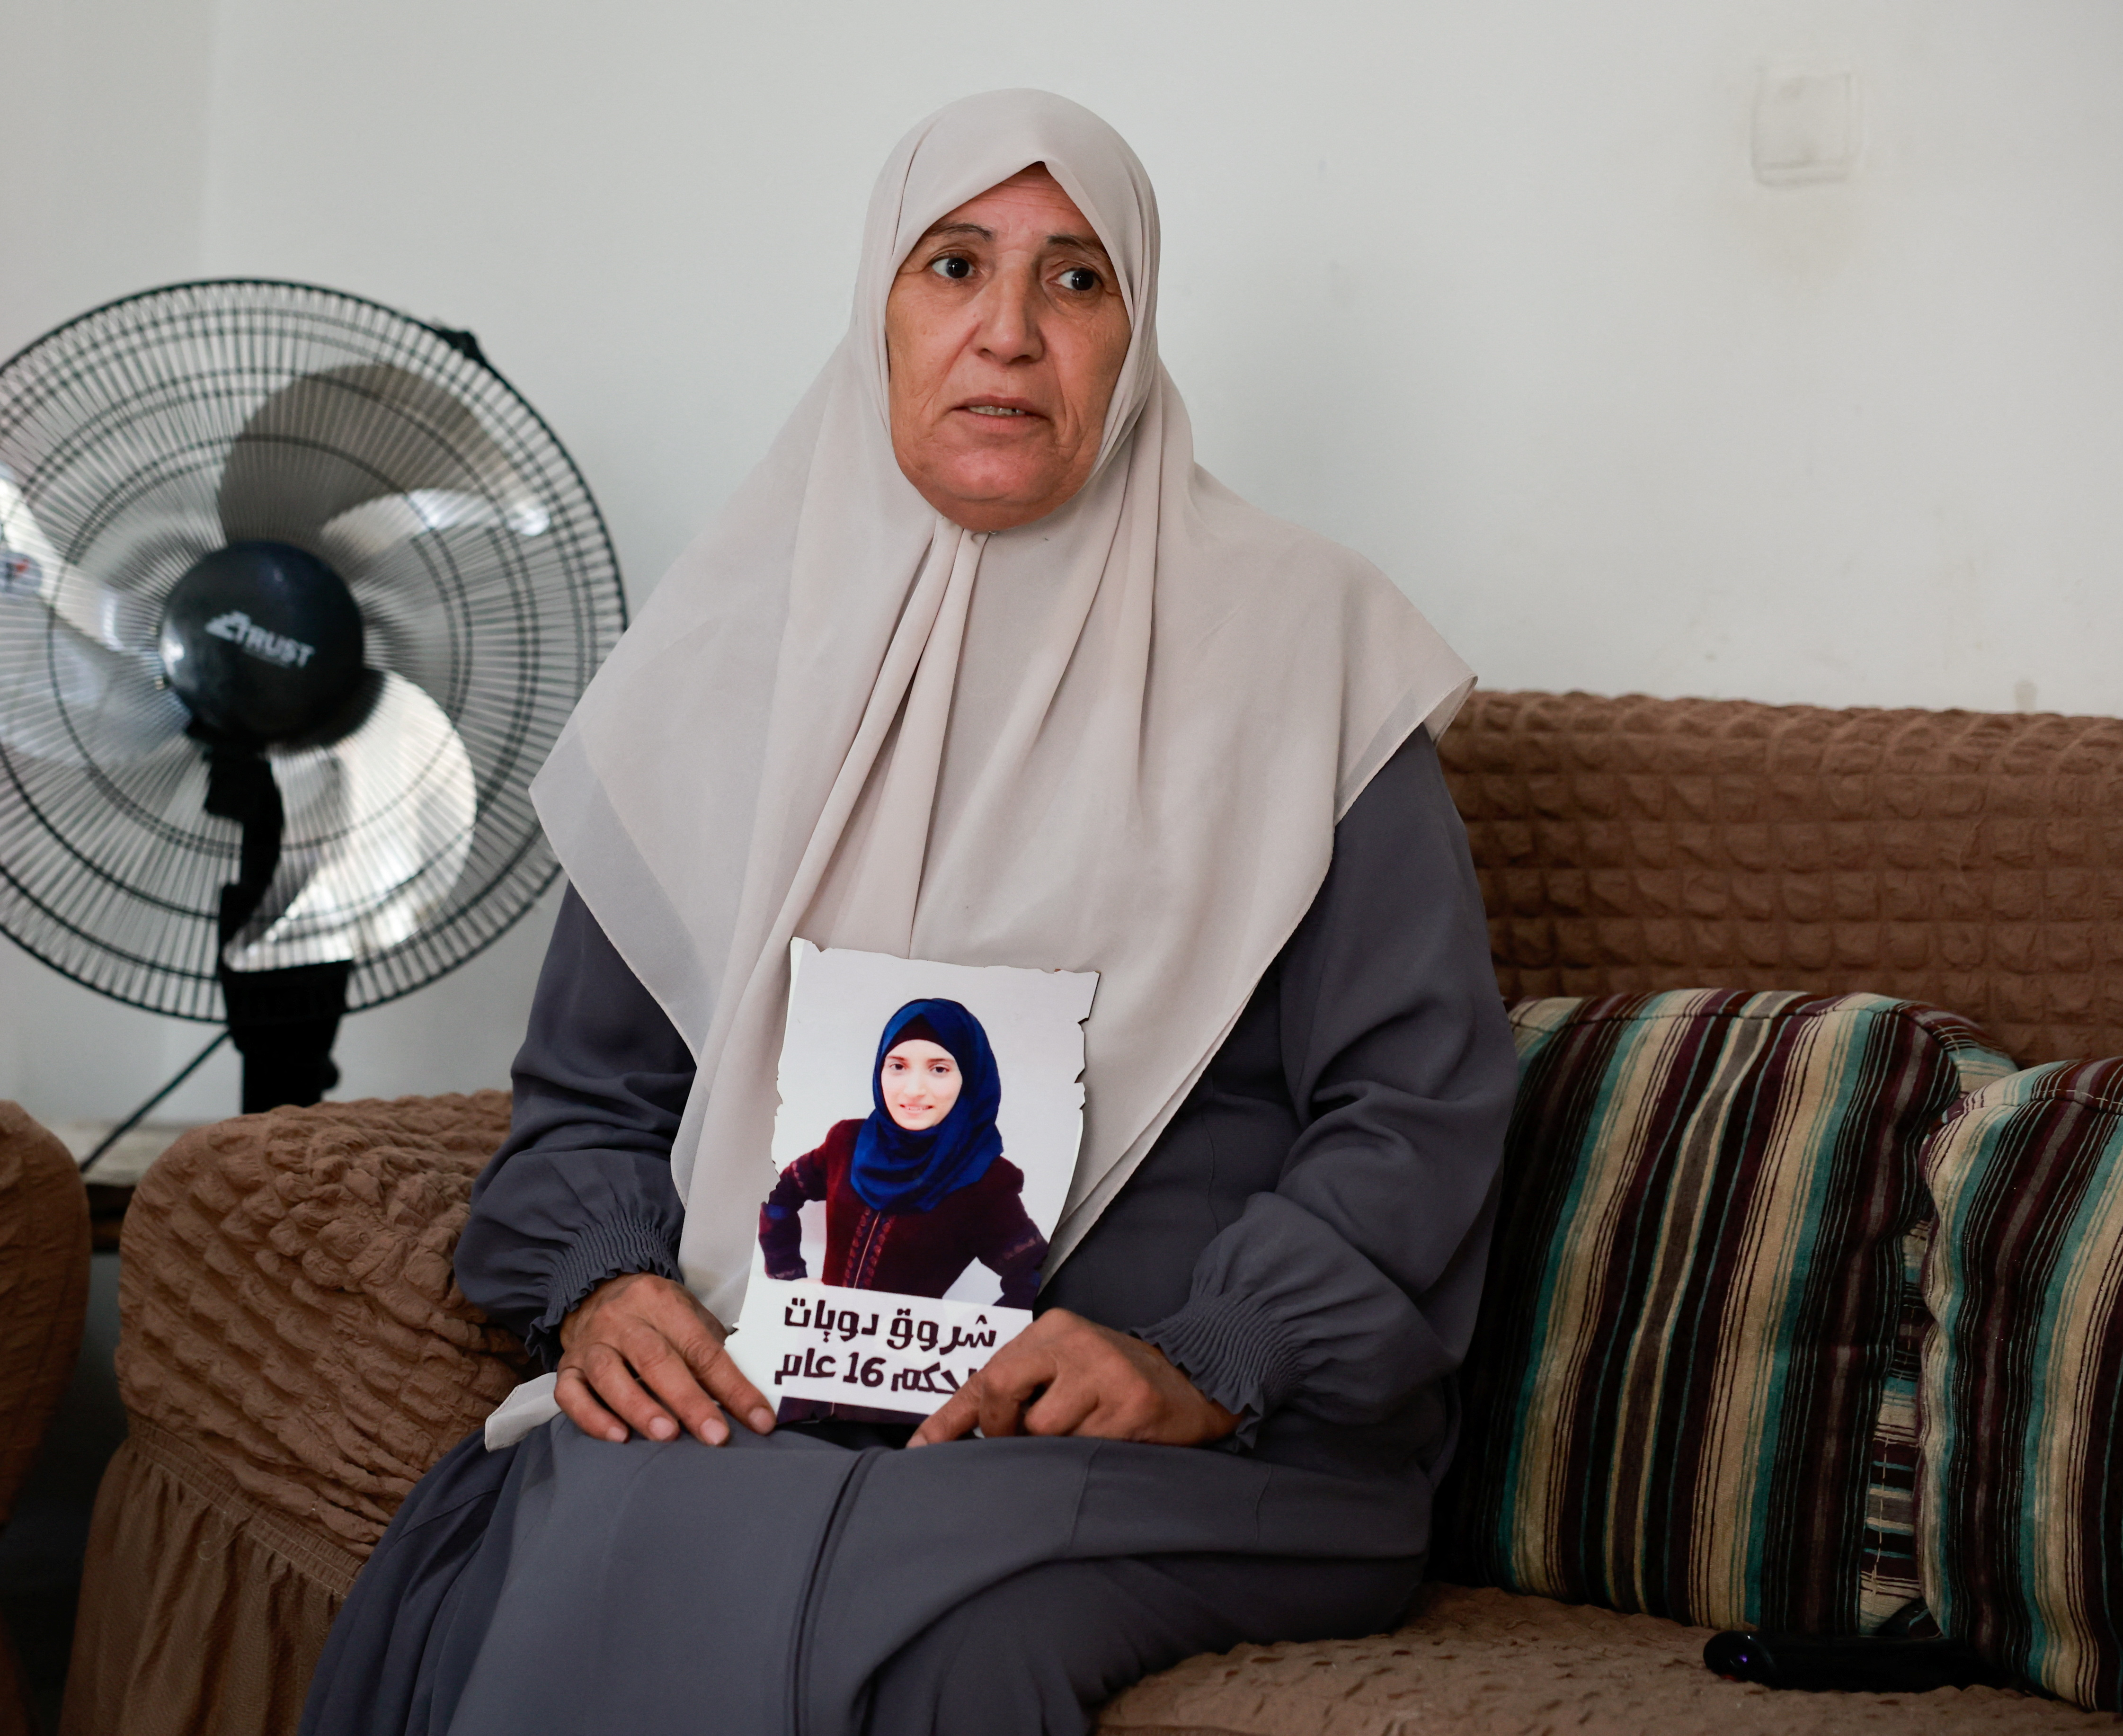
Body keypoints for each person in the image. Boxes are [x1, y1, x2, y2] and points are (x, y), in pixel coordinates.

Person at [301, 89, 1515, 1736]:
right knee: (583, 1512)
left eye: (1075, 281)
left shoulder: (1310, 652)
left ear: (1134, 334)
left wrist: (1211, 1352)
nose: (1009, 335)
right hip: (788, 1380)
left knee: (910, 1631)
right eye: (955, 266)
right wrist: (607, 1283)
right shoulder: (725, 657)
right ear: (881, 308)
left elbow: (1415, 1105)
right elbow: (594, 1096)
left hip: (1170, 1426)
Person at [760, 997, 1047, 1307]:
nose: (913, 1090)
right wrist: (790, 1278)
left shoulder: (985, 1180)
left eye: (939, 1069)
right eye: (898, 1066)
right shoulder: (847, 1142)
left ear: (970, 1077)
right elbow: (782, 1197)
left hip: (903, 1354)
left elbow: (1034, 1276)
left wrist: (965, 1345)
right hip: (817, 1339)